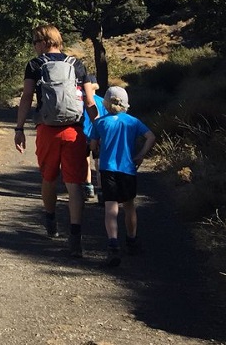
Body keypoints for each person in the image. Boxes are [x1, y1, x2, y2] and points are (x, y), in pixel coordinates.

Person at [14, 24, 91, 257]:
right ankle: (75, 237)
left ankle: (51, 220)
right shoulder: (77, 64)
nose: (34, 47)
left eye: (35, 42)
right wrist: (99, 129)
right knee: (74, 184)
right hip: (74, 131)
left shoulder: (34, 65)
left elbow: (27, 97)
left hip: (47, 130)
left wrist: (19, 128)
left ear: (45, 42)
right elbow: (89, 101)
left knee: (48, 177)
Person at [85, 85, 156, 267]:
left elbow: (93, 146)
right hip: (127, 169)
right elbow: (151, 137)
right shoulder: (132, 122)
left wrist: (98, 148)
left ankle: (113, 244)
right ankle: (131, 240)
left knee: (111, 208)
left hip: (108, 170)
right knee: (129, 206)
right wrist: (140, 155)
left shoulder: (100, 123)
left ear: (106, 104)